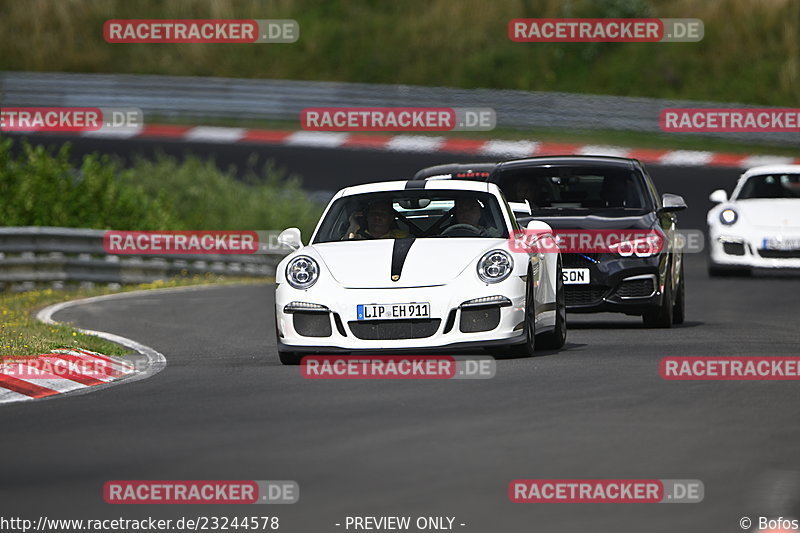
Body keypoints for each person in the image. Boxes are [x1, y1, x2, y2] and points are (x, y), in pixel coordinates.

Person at [344, 200, 410, 240]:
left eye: (382, 213)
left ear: (391, 218)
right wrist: (353, 226)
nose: (377, 216)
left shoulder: (402, 237)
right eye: (373, 213)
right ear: (367, 217)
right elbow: (343, 248)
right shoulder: (356, 236)